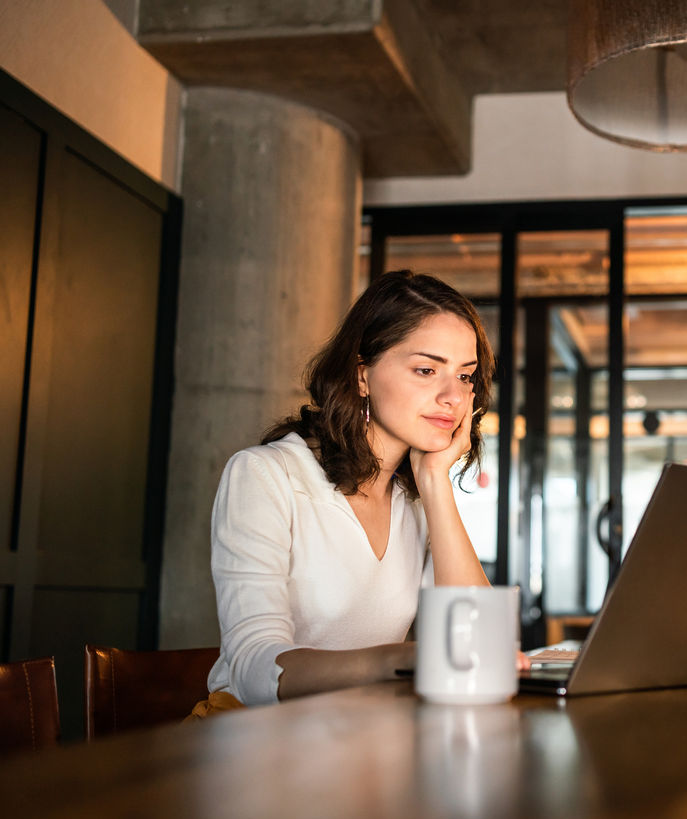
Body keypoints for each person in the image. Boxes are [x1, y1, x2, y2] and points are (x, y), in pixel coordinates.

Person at [196, 270, 518, 711]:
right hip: (258, 738)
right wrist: (398, 660)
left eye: (466, 376)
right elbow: (253, 670)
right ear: (361, 375)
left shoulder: (417, 500)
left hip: (363, 734)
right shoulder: (266, 475)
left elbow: (482, 647)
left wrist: (435, 481)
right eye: (427, 370)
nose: (454, 397)